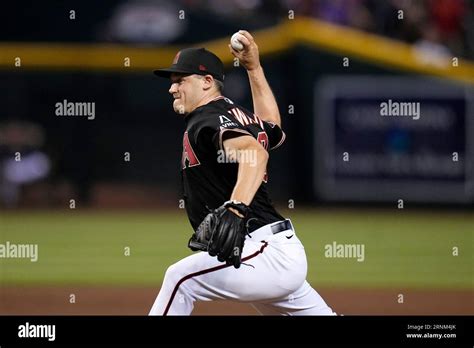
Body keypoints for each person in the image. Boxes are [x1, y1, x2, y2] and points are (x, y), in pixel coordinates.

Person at [149, 30, 334, 315]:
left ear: (207, 82)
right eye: (172, 82)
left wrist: (236, 208)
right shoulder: (236, 114)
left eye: (180, 80)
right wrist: (254, 68)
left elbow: (255, 153)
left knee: (180, 279)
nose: (172, 88)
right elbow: (272, 126)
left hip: (263, 250)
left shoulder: (206, 118)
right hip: (271, 251)